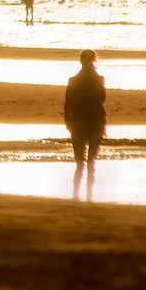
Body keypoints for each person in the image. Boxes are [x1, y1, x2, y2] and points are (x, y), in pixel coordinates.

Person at [64, 50, 106, 201]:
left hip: (78, 123)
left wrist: (67, 123)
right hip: (94, 123)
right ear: (93, 61)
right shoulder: (98, 79)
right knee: (90, 164)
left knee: (80, 164)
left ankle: (76, 196)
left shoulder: (73, 80)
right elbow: (102, 98)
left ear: (81, 61)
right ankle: (88, 197)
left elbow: (67, 105)